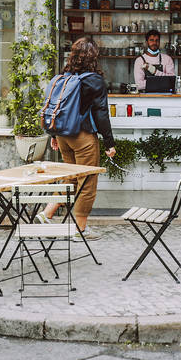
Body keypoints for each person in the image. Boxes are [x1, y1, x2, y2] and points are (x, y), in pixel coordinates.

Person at [37, 38, 116, 239]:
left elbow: (56, 107)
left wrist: (54, 134)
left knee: (70, 178)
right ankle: (80, 229)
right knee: (86, 181)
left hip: (64, 135)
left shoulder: (64, 76)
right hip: (83, 137)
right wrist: (109, 143)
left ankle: (47, 213)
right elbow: (101, 114)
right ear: (94, 57)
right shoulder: (94, 80)